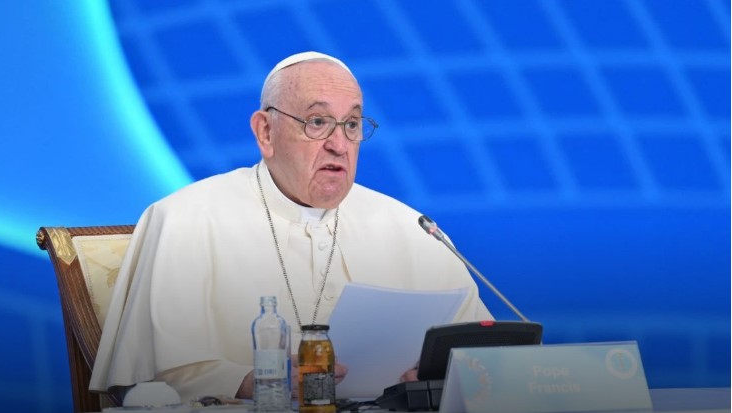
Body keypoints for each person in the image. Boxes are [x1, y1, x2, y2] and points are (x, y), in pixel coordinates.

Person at [90, 51, 493, 402]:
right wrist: (254, 382)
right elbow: (143, 382)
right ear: (265, 132)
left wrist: (440, 374)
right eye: (317, 121)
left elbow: (481, 356)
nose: (339, 144)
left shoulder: (412, 229)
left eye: (352, 125)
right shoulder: (185, 220)